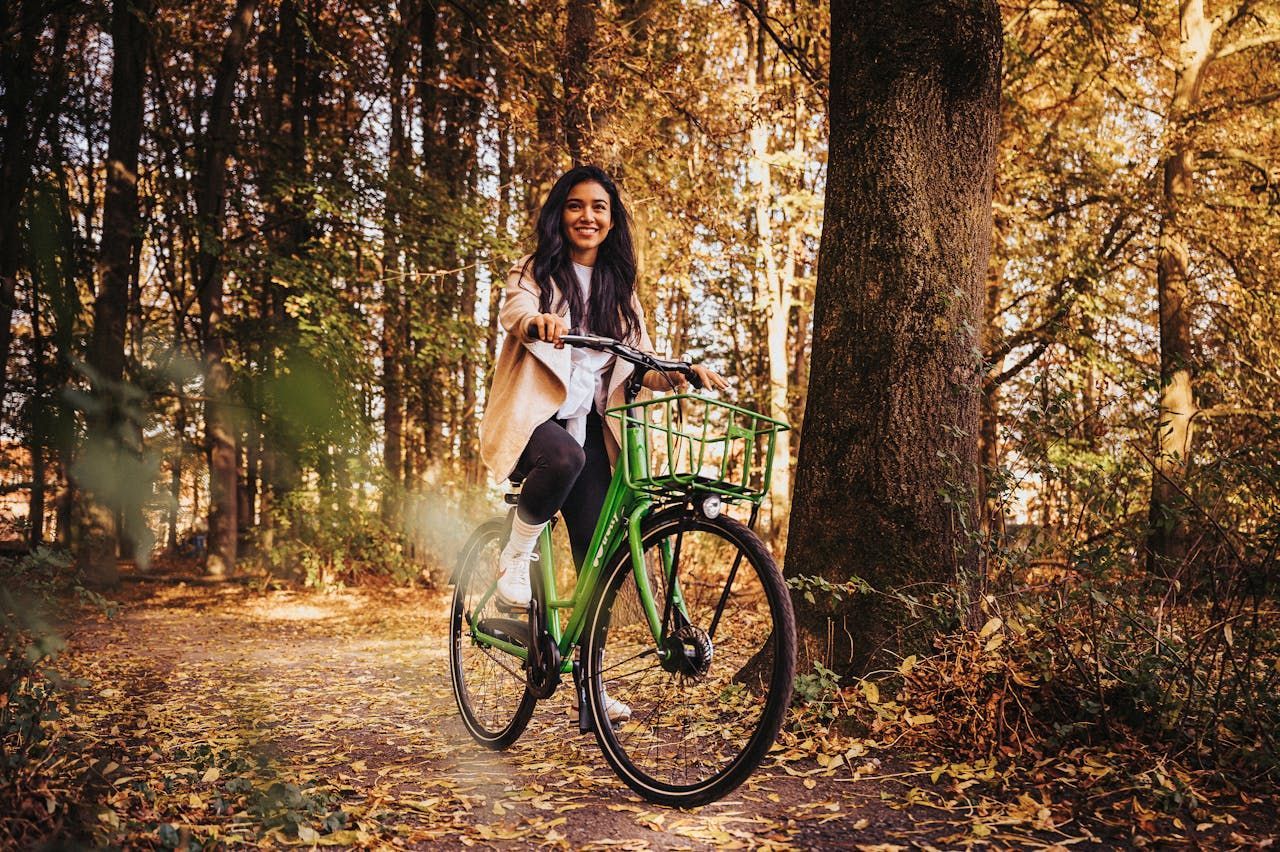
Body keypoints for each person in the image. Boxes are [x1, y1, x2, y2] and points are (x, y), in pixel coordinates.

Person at [478, 166, 727, 718]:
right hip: (536, 425)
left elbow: (641, 361)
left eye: (599, 208)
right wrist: (538, 321)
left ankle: (591, 684)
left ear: (612, 221)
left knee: (600, 561)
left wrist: (683, 371)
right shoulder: (535, 271)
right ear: (559, 215)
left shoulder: (620, 290)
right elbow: (514, 312)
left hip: (589, 432)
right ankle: (512, 559)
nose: (587, 216)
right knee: (564, 456)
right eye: (575, 206)